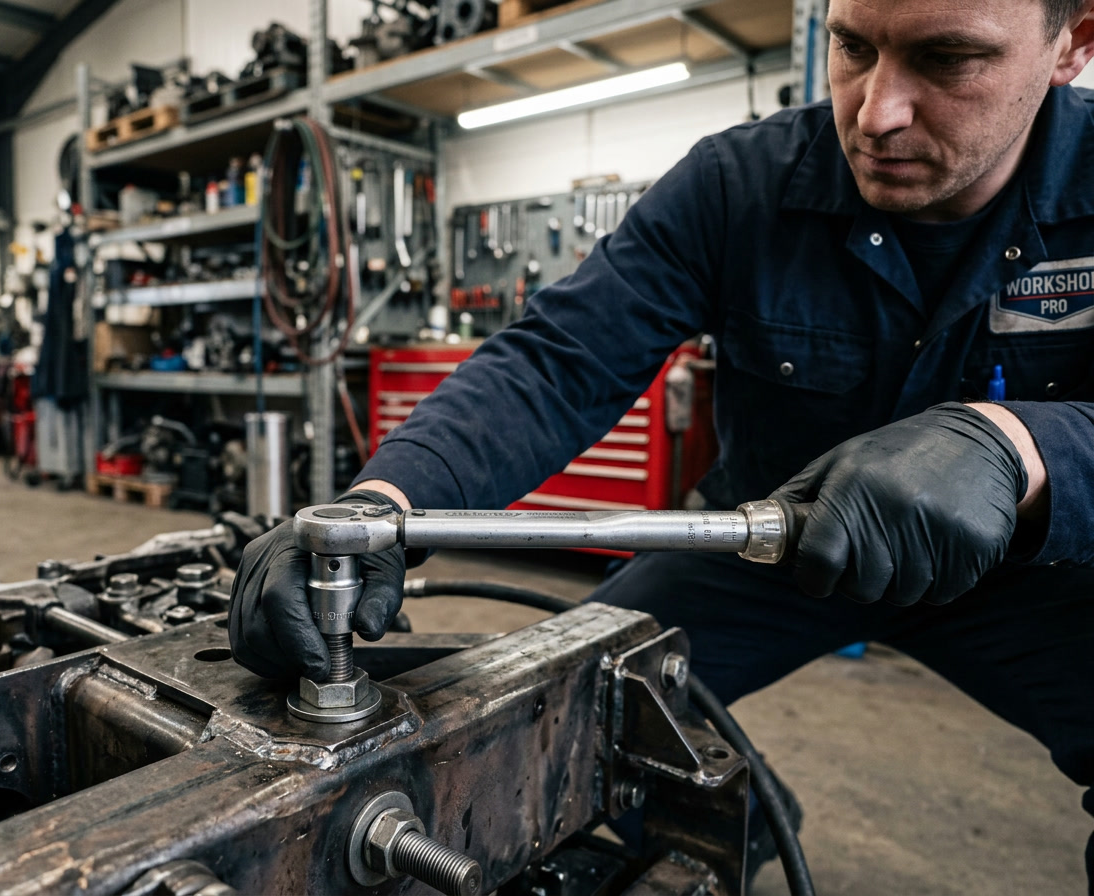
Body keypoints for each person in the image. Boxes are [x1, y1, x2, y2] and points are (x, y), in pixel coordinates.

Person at [231, 0, 1094, 888]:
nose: (875, 112)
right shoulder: (739, 183)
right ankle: (738, 820)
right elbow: (560, 360)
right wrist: (385, 506)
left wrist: (1020, 448)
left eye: (948, 59)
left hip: (1030, 571)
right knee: (560, 712)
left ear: (1072, 43)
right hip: (771, 547)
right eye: (852, 47)